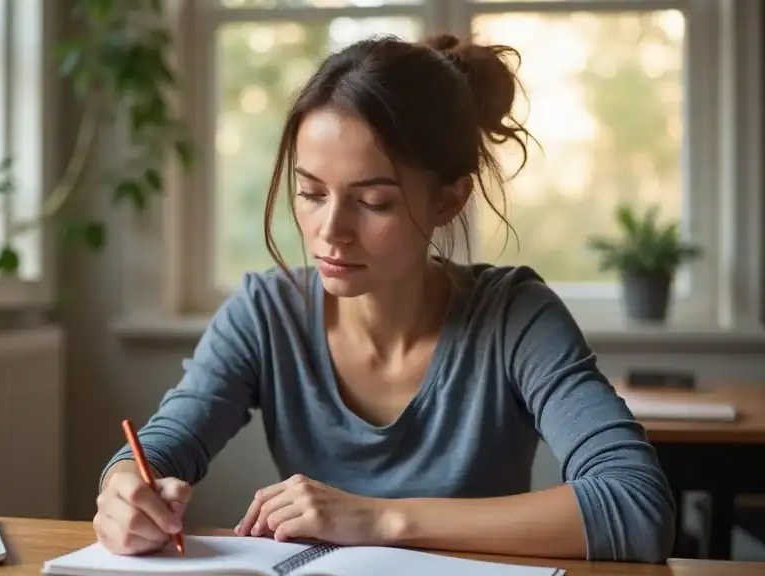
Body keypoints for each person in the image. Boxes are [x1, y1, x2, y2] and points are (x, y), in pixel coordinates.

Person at [93, 33, 676, 564]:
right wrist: (124, 488)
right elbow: (164, 446)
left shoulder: (515, 316)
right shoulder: (264, 313)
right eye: (310, 193)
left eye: (373, 202)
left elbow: (635, 506)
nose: (331, 230)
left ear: (448, 201)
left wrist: (376, 518)